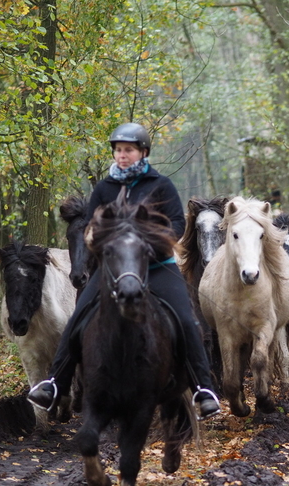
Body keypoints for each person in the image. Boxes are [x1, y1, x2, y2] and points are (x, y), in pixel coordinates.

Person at [28, 122, 221, 420]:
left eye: (128, 150)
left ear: (143, 153)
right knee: (78, 319)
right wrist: (100, 241)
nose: (122, 155)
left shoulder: (161, 185)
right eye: (118, 150)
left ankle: (203, 389)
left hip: (157, 266)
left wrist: (150, 241)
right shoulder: (104, 188)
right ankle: (55, 384)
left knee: (186, 318)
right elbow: (92, 226)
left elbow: (178, 226)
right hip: (112, 269)